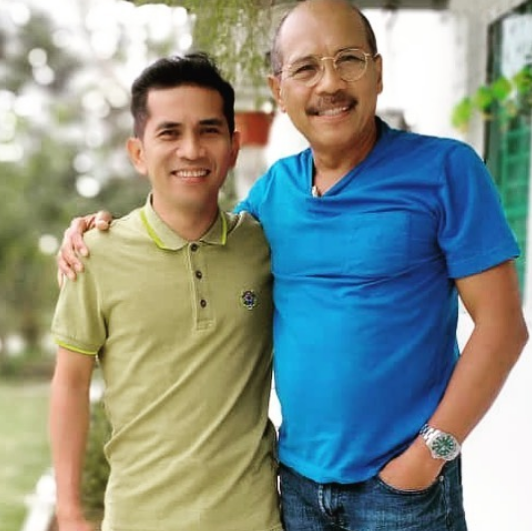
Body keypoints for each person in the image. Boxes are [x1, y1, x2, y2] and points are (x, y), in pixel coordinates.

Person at [57, 1, 528, 530]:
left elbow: (503, 328)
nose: (330, 83)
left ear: (378, 72)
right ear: (278, 92)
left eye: (348, 59)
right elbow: (201, 235)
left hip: (404, 494)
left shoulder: (446, 170)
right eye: (305, 67)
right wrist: (101, 230)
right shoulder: (274, 192)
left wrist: (428, 457)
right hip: (297, 490)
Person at [49, 53, 282, 531]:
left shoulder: (264, 244)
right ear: (139, 153)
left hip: (253, 519)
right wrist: (69, 512)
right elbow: (70, 384)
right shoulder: (94, 254)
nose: (191, 150)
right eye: (170, 133)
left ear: (234, 147)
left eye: (209, 130)